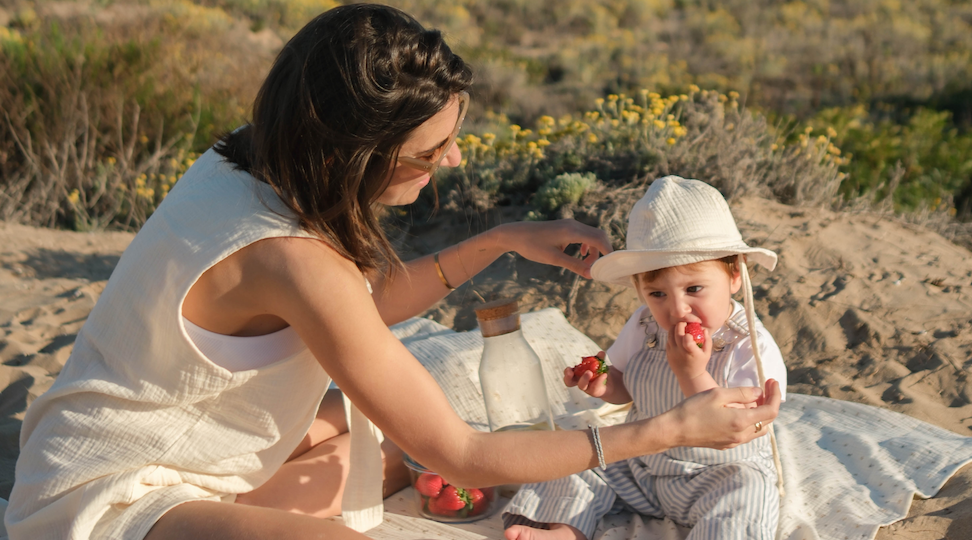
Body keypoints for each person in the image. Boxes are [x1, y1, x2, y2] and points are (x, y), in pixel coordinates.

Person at [3, 6, 781, 540]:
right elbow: (465, 456)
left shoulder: (254, 156)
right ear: (353, 152)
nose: (452, 160)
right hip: (103, 500)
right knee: (407, 459)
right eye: (428, 151)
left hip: (182, 442)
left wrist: (502, 237)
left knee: (379, 441)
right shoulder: (293, 260)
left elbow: (359, 307)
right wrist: (670, 429)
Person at [504, 176, 788, 540]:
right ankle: (563, 530)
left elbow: (742, 427)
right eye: (657, 293)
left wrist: (692, 373)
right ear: (639, 291)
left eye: (694, 288)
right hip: (643, 462)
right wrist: (605, 384)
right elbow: (626, 388)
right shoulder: (643, 325)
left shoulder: (748, 343)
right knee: (578, 453)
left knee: (746, 497)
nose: (677, 308)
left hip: (717, 473)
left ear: (734, 275)